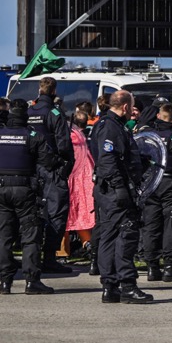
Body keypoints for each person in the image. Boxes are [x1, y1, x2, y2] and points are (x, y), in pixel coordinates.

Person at [0, 98, 52, 295]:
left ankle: (5, 282)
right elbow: (48, 162)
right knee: (30, 235)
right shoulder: (33, 135)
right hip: (25, 190)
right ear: (25, 116)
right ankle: (32, 281)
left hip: (0, 190)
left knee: (2, 236)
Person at [90, 90, 153, 304]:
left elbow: (118, 157)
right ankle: (127, 285)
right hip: (114, 190)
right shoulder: (110, 126)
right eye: (132, 107)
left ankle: (110, 287)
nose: (133, 111)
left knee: (110, 236)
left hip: (110, 189)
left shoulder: (111, 125)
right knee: (126, 235)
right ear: (125, 106)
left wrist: (139, 162)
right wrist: (120, 188)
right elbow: (108, 160)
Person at [135, 98, 172, 282]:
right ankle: (170, 267)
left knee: (151, 225)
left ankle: (152, 267)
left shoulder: (149, 138)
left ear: (159, 117)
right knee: (171, 224)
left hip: (151, 184)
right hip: (171, 184)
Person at [29, 78, 74, 275]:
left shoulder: (29, 111)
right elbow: (64, 144)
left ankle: (31, 256)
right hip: (51, 169)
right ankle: (49, 258)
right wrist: (66, 164)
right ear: (54, 91)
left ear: (39, 90)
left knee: (32, 214)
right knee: (57, 212)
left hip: (31, 169)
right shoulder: (54, 112)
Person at [65, 103, 97, 265]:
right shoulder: (85, 138)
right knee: (82, 216)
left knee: (68, 215)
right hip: (87, 180)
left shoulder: (71, 137)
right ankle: (89, 245)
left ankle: (62, 252)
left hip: (72, 181)